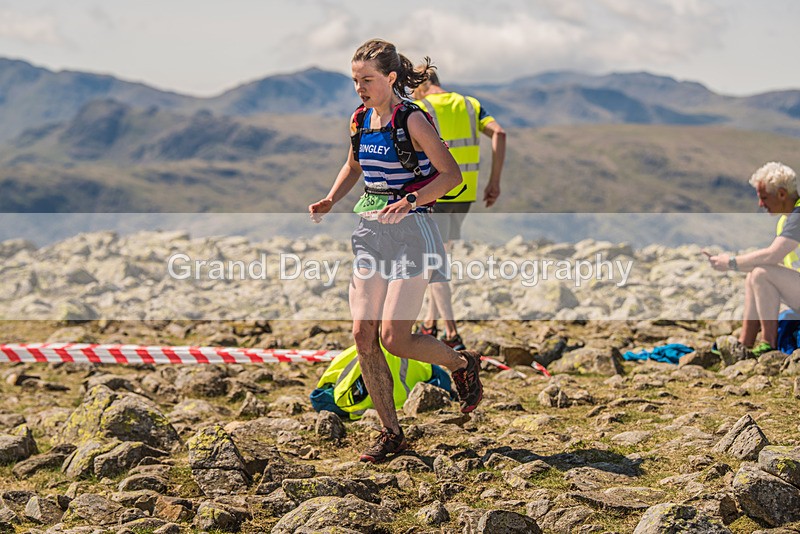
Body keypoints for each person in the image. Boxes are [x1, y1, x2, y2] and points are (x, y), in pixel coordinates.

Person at [308, 39, 483, 464]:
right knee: (362, 335)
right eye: (354, 80)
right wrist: (331, 199)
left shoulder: (414, 119)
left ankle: (460, 364)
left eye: (366, 80)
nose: (359, 88)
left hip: (414, 231)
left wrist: (412, 200)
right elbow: (353, 165)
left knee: (395, 337)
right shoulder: (359, 120)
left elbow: (451, 174)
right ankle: (391, 434)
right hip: (371, 230)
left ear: (389, 78)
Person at [411, 67, 506, 349]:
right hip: (464, 193)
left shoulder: (419, 108)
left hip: (435, 193)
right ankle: (431, 323)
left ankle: (451, 333)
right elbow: (499, 134)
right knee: (441, 257)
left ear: (420, 85)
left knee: (434, 263)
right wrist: (494, 181)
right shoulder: (469, 104)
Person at [706, 161, 800, 361]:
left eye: (764, 197)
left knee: (761, 273)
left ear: (782, 194)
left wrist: (730, 262)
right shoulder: (787, 219)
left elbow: (771, 256)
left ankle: (768, 345)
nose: (760, 204)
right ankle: (744, 344)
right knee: (754, 274)